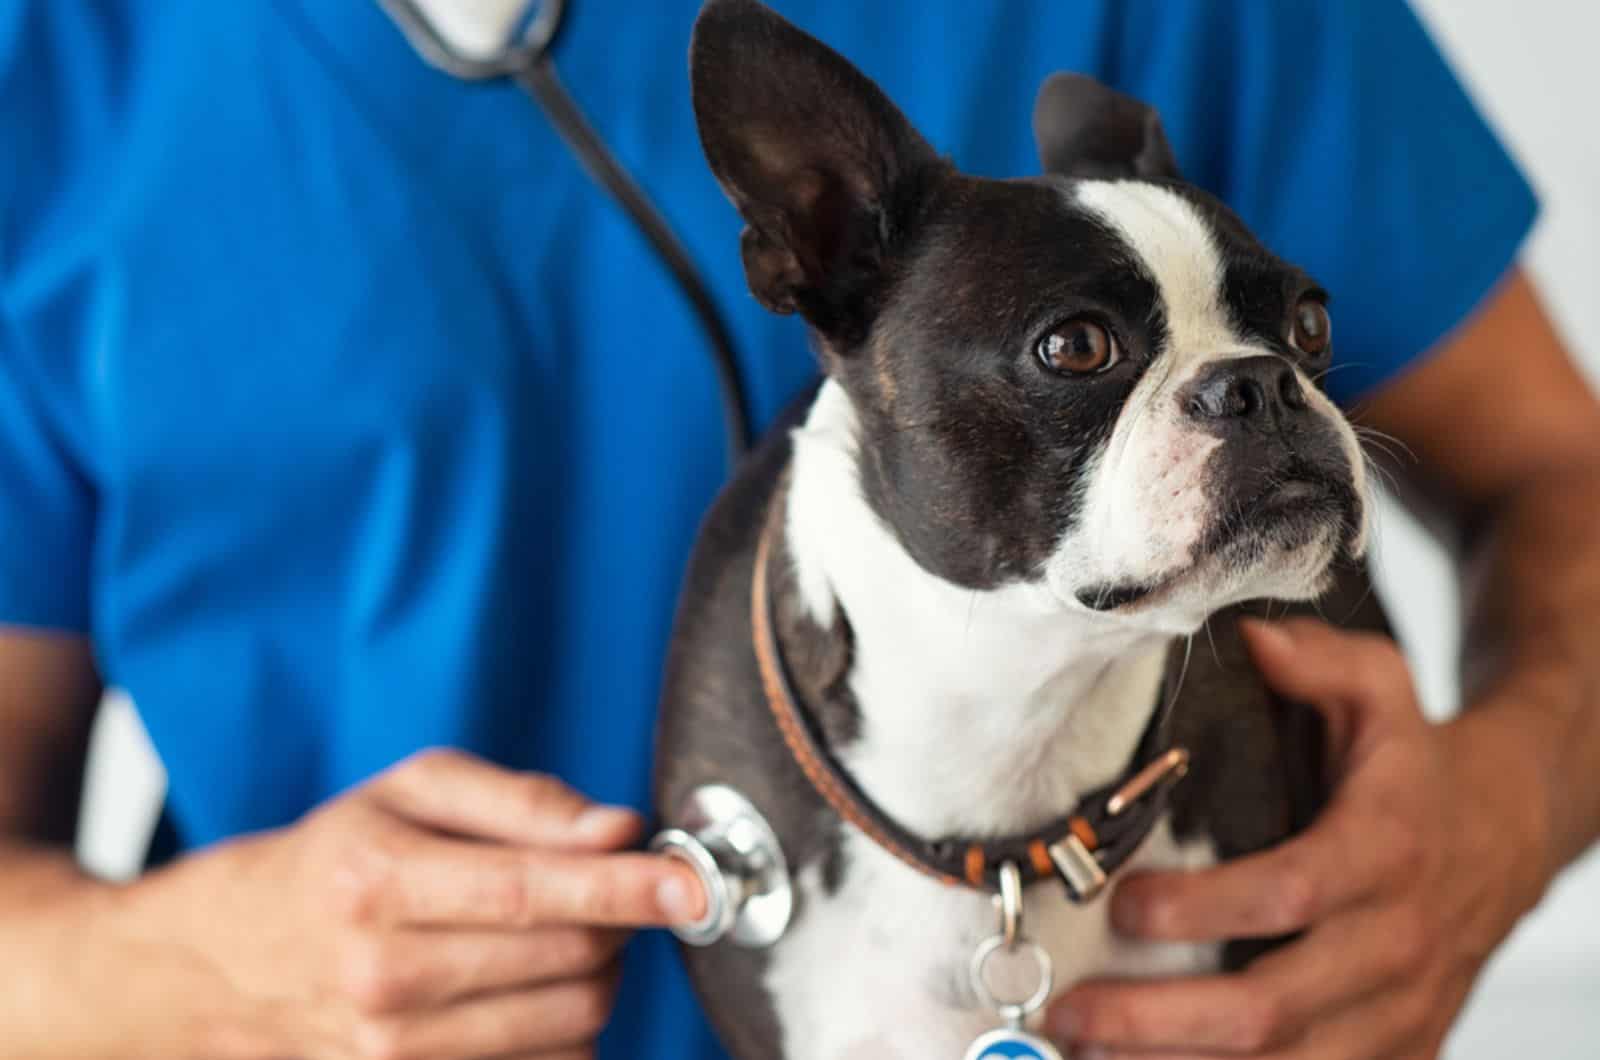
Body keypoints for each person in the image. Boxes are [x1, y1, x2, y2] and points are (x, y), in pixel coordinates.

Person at [1, 1, 1596, 1058]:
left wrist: (1509, 801)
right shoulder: (52, 72)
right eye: (1081, 353)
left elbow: (1562, 472)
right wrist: (175, 971)